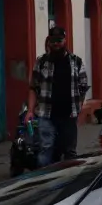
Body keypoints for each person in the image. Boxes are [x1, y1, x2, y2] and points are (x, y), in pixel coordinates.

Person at [28, 27, 91, 164]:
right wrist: (30, 110)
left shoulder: (76, 62)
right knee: (46, 148)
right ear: (48, 42)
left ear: (65, 40)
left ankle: (70, 181)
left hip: (69, 116)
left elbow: (83, 87)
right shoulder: (41, 62)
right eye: (53, 41)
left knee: (69, 151)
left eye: (59, 40)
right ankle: (44, 180)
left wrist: (79, 108)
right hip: (46, 115)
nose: (56, 44)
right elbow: (33, 87)